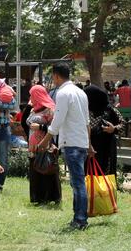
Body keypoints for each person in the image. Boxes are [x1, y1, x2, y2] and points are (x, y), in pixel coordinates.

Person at [38, 63, 94, 231]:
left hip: (71, 143)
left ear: (56, 76)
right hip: (81, 142)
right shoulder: (81, 92)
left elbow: (57, 121)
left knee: (77, 183)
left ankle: (80, 219)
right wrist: (89, 144)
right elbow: (87, 122)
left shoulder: (63, 93)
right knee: (78, 182)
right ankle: (78, 217)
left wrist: (45, 141)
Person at [26, 85, 61, 204]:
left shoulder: (50, 109)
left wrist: (40, 126)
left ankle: (49, 197)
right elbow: (25, 122)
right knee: (35, 171)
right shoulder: (33, 109)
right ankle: (37, 198)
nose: (30, 97)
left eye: (32, 95)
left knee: (46, 170)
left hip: (45, 144)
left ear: (38, 95)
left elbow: (55, 128)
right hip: (33, 145)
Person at [85, 85, 125, 176]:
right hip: (89, 148)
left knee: (105, 177)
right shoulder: (84, 110)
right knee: (89, 177)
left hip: (106, 150)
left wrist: (113, 129)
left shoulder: (109, 110)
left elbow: (123, 124)